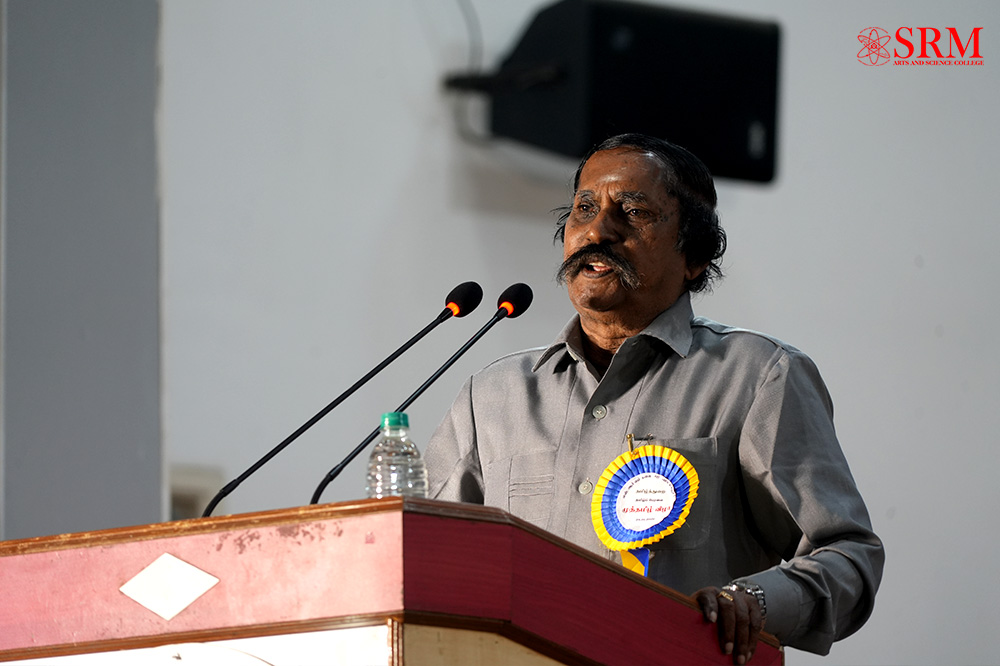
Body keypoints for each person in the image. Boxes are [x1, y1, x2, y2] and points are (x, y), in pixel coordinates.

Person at [424, 133, 884, 662]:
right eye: (584, 209)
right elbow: (432, 556)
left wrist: (755, 601)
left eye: (635, 212)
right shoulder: (493, 395)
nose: (599, 230)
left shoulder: (757, 377)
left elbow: (849, 558)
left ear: (694, 257)